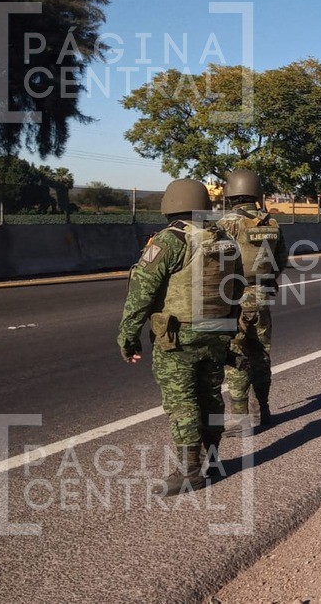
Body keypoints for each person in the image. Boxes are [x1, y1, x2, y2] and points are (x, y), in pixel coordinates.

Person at [117, 179, 241, 496]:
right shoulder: (224, 239)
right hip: (217, 332)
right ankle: (212, 462)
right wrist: (230, 330)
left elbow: (141, 293)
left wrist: (128, 335)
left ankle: (190, 473)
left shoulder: (169, 241)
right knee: (211, 397)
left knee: (183, 403)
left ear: (171, 203)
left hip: (179, 337)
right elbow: (236, 290)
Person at [217, 169, 288, 432]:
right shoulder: (271, 223)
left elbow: (216, 265)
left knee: (237, 355)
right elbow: (281, 260)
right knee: (261, 354)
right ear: (256, 193)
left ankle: (241, 418)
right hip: (262, 295)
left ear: (231, 193)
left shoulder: (226, 224)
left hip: (234, 297)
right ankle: (264, 409)